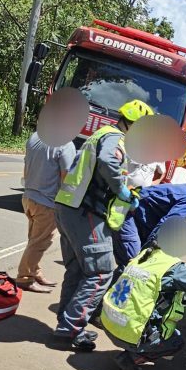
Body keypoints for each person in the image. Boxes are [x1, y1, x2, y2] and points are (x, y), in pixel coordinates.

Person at [52, 99, 155, 351]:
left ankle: (66, 324)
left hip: (67, 206)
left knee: (77, 270)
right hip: (85, 210)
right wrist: (121, 190)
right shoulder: (115, 138)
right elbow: (108, 160)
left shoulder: (102, 133)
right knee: (101, 272)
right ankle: (71, 328)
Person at [100, 241, 186, 370]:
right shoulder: (173, 268)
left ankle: (134, 347)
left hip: (109, 322)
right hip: (129, 332)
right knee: (176, 342)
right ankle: (131, 358)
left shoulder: (146, 254)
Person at [17, 132, 75, 293]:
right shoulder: (66, 144)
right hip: (47, 202)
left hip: (29, 197)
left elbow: (26, 166)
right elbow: (67, 178)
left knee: (34, 240)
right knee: (39, 243)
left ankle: (35, 272)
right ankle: (24, 278)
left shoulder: (36, 137)